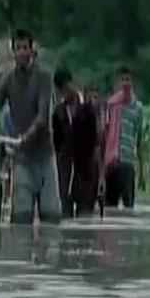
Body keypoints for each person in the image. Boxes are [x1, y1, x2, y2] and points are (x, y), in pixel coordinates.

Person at [0, 29, 61, 224]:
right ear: (13, 52)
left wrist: (26, 136)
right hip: (22, 158)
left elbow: (42, 117)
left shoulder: (43, 78)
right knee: (20, 219)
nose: (21, 52)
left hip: (43, 156)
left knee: (51, 218)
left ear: (32, 51)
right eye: (17, 48)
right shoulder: (9, 79)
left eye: (25, 48)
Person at [52, 69, 99, 217]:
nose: (66, 93)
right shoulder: (58, 113)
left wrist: (99, 173)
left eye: (67, 88)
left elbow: (95, 142)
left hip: (85, 170)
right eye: (62, 90)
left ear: (72, 84)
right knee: (65, 213)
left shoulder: (87, 109)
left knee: (85, 214)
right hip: (65, 170)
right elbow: (56, 144)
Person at [101, 66, 143, 209]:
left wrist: (141, 167)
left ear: (133, 83)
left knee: (128, 206)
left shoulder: (138, 107)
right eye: (123, 80)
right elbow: (105, 134)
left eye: (128, 80)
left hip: (127, 161)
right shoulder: (112, 105)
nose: (125, 83)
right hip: (112, 164)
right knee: (109, 207)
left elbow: (139, 137)